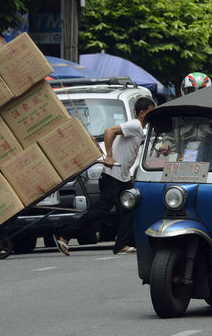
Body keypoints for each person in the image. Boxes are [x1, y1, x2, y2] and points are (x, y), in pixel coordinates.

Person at [57, 95, 154, 256]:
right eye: (151, 111)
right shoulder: (135, 124)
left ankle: (121, 244)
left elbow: (131, 143)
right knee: (102, 210)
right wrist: (109, 155)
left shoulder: (139, 130)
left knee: (131, 207)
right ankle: (65, 234)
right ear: (142, 113)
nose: (152, 114)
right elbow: (109, 131)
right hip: (113, 175)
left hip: (122, 177)